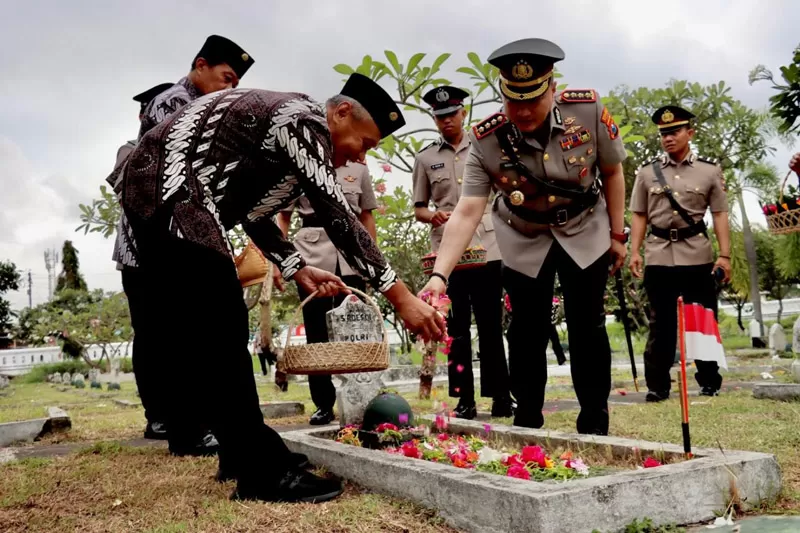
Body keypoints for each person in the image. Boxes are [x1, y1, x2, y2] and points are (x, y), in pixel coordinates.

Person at [110, 73, 444, 503]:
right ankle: (262, 473)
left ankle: (239, 454)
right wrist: (400, 296)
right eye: (365, 143)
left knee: (216, 333)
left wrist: (297, 267)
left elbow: (253, 213)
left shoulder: (286, 141)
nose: (358, 156)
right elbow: (337, 214)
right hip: (170, 191)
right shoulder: (303, 118)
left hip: (168, 195)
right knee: (224, 326)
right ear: (341, 112)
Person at [419, 38, 628, 436]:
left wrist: (618, 236)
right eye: (514, 101)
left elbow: (613, 172)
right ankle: (528, 418)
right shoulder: (488, 139)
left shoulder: (587, 111)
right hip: (523, 236)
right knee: (525, 330)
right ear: (502, 95)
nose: (524, 111)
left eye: (533, 99)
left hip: (585, 229)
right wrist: (439, 277)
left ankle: (595, 421)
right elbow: (467, 209)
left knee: (588, 325)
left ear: (552, 88)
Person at [113, 35, 254, 453]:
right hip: (153, 244)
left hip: (178, 238)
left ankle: (189, 423)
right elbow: (176, 177)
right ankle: (177, 426)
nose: (228, 89)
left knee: (181, 333)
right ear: (200, 65)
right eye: (225, 77)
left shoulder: (205, 108)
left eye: (235, 84)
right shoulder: (173, 102)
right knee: (164, 335)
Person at [412, 86, 513, 419]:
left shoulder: (485, 147)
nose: (446, 122)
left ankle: (501, 395)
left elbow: (504, 190)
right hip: (447, 252)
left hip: (488, 245)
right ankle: (464, 399)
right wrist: (434, 215)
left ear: (463, 113)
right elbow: (419, 209)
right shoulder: (425, 158)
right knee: (455, 330)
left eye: (451, 115)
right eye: (440, 118)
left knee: (490, 326)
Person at [629, 105, 731, 401]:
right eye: (663, 133)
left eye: (674, 132)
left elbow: (720, 213)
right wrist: (635, 251)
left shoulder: (709, 171)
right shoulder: (647, 173)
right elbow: (639, 215)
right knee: (661, 323)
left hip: (697, 255)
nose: (668, 138)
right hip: (659, 254)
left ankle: (709, 380)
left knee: (701, 318)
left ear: (690, 133)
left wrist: (724, 256)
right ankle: (658, 385)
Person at [275, 161, 378, 425]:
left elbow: (366, 216)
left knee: (357, 329)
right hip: (311, 254)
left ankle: (361, 397)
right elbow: (283, 216)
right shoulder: (298, 162)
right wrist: (277, 262)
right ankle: (323, 403)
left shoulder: (359, 170)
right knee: (317, 333)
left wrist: (373, 260)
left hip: (351, 254)